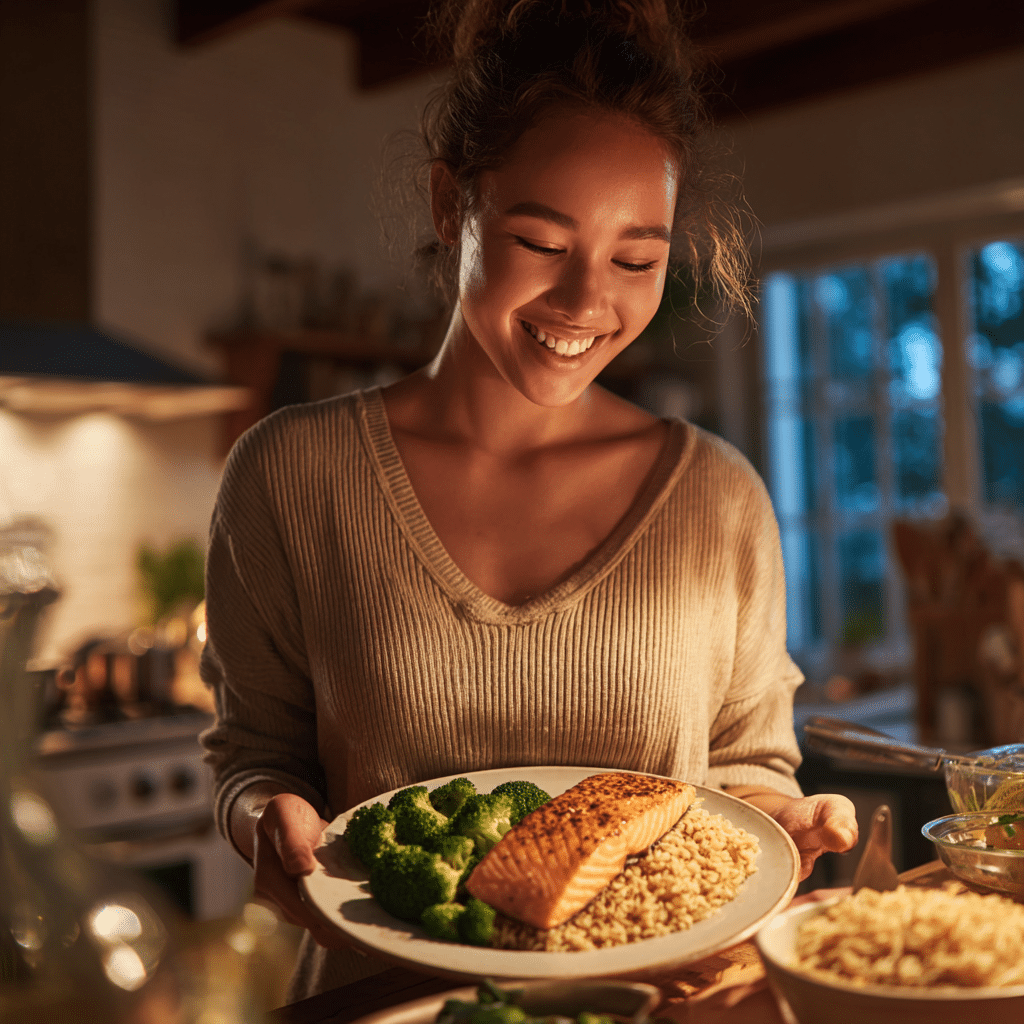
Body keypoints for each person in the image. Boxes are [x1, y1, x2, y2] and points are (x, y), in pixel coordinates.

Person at [199, 0, 858, 1002]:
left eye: (636, 259)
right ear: (448, 205)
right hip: (383, 1001)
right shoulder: (286, 474)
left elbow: (743, 764)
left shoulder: (719, 498)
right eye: (542, 241)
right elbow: (255, 756)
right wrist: (265, 820)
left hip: (661, 1005)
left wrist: (785, 817)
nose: (587, 301)